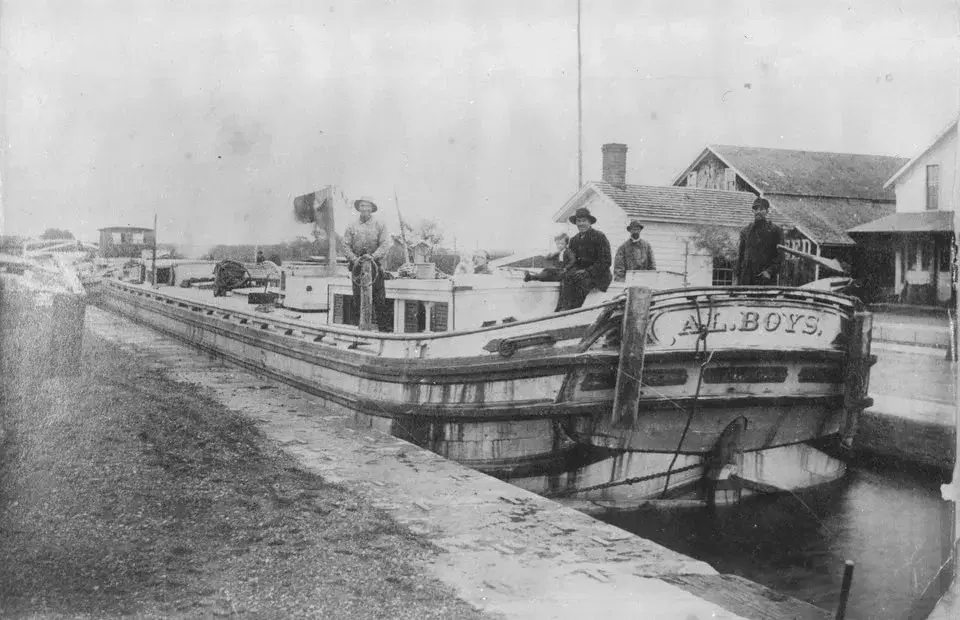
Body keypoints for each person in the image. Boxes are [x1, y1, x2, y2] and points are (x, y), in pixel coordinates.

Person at [341, 195, 392, 331]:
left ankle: (384, 333)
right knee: (358, 301)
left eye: (367, 207)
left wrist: (373, 257)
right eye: (362, 206)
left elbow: (385, 244)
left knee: (380, 301)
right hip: (357, 268)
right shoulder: (351, 226)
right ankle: (360, 331)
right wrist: (354, 259)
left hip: (375, 268)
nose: (365, 209)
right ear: (358, 208)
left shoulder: (380, 225)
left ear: (372, 209)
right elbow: (345, 245)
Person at [555, 207, 612, 311]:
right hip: (579, 274)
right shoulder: (574, 240)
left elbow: (606, 261)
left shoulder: (599, 237)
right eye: (578, 221)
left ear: (590, 222)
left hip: (598, 275)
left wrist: (587, 272)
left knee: (580, 282)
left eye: (584, 220)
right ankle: (562, 309)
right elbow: (571, 262)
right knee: (566, 278)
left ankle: (574, 311)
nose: (581, 224)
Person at [737, 197, 784, 286]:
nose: (758, 211)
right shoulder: (746, 231)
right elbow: (741, 257)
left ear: (767, 211)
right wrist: (739, 278)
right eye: (755, 209)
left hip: (766, 279)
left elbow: (780, 257)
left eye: (761, 209)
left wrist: (769, 272)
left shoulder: (775, 230)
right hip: (747, 280)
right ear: (752, 211)